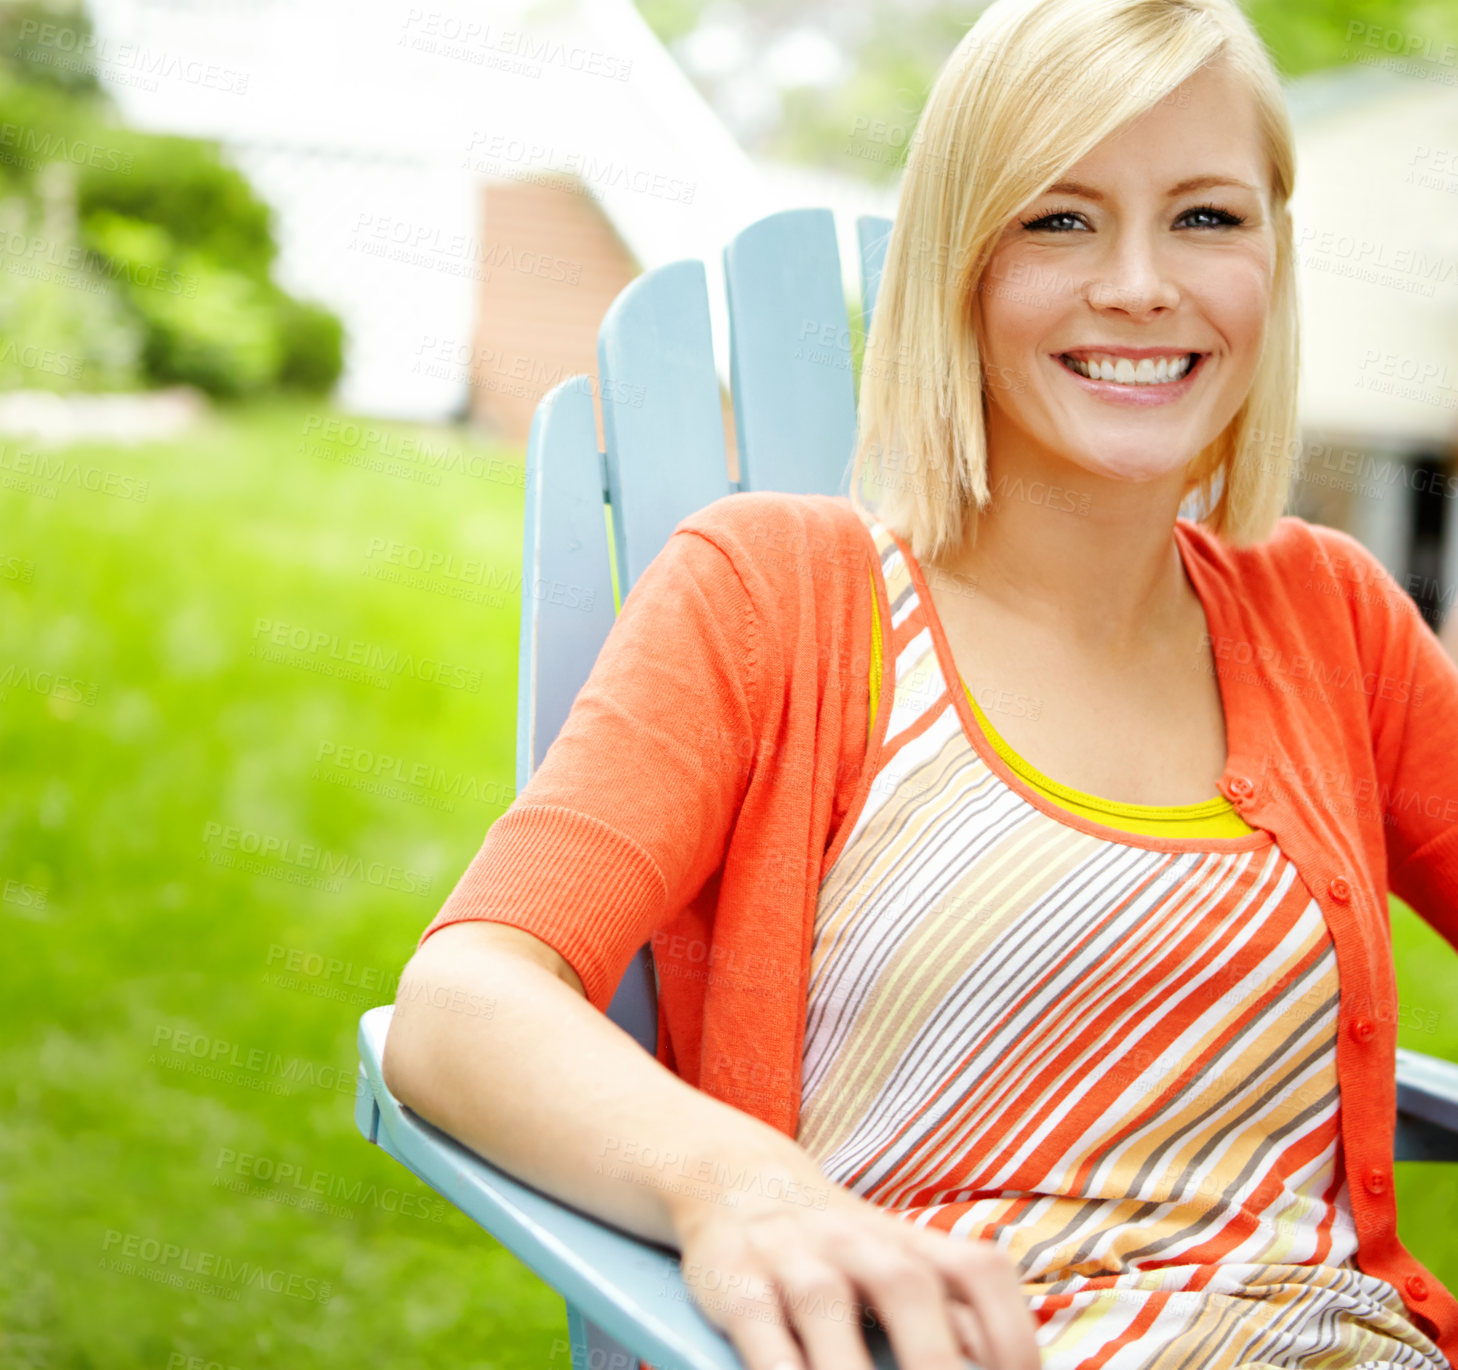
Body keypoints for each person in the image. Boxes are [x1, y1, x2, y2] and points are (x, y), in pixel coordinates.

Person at [382, 0, 1458, 1367]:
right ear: (959, 262)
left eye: (1205, 217)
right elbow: (466, 994)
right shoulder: (776, 595)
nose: (1140, 283)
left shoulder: (1329, 617)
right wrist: (736, 1185)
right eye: (1058, 220)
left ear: (1272, 261)